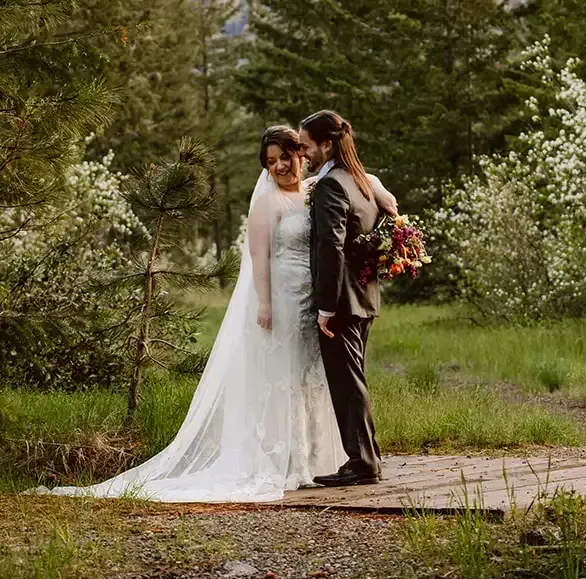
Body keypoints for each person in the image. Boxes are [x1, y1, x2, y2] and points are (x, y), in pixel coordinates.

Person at [30, 124, 395, 502]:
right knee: (280, 374)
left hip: (313, 297)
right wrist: (266, 303)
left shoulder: (313, 190)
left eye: (285, 156)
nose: (279, 167)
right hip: (283, 294)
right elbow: (258, 255)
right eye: (270, 162)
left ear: (300, 154)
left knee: (310, 376)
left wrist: (384, 197)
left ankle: (313, 457)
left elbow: (362, 179)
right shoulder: (267, 202)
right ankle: (283, 460)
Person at [301, 110, 393, 487]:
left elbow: (331, 247)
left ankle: (362, 463)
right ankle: (367, 458)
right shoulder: (362, 180)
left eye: (307, 146)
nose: (303, 153)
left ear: (327, 143)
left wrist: (325, 306)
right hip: (363, 296)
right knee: (354, 380)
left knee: (347, 382)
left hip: (342, 301)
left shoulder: (332, 186)